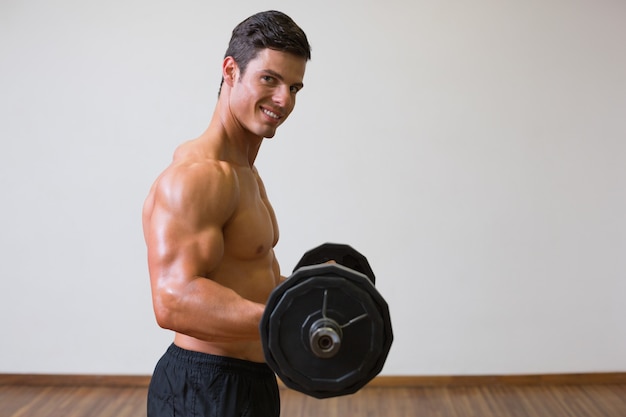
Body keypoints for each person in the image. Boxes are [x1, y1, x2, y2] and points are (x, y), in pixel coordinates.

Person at [141, 10, 311, 417]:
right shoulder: (198, 176)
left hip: (248, 381)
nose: (283, 99)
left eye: (294, 86)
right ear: (230, 71)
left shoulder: (245, 173)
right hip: (205, 386)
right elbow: (173, 299)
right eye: (269, 79)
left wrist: (313, 292)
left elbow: (248, 282)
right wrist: (286, 319)